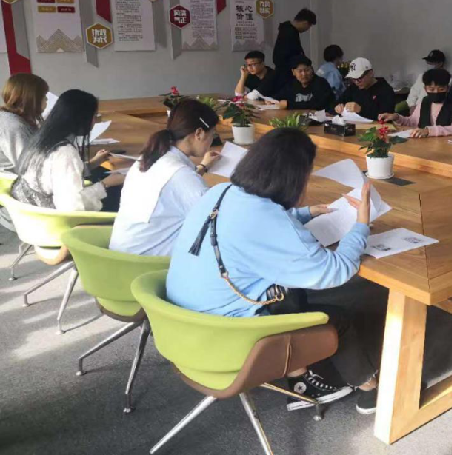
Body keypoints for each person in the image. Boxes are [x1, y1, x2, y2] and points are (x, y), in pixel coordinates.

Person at [167, 129, 379, 414]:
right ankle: (371, 390)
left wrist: (305, 213)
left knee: (289, 289)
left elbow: (258, 219)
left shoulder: (219, 192)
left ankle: (299, 376)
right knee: (337, 319)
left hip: (179, 323)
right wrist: (361, 225)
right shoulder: (267, 221)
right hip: (223, 334)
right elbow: (337, 271)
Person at [109, 100, 221, 257]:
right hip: (147, 262)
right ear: (199, 133)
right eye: (212, 135)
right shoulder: (182, 176)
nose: (211, 142)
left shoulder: (149, 158)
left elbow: (174, 188)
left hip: (120, 254)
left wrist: (202, 167)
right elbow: (216, 220)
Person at [11, 89, 126, 212]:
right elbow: (72, 207)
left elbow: (58, 175)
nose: (94, 122)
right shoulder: (65, 152)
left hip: (28, 214)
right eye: (94, 116)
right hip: (52, 220)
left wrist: (94, 163)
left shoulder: (41, 140)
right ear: (82, 119)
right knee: (118, 193)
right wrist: (105, 184)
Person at [379, 69, 452, 137]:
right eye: (431, 89)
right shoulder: (425, 101)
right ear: (425, 89)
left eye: (441, 89)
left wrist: (429, 131)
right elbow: (413, 121)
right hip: (424, 144)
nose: (436, 92)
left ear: (448, 88)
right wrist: (397, 117)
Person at [0, 73, 49, 173]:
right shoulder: (12, 125)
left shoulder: (20, 120)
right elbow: (29, 167)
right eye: (43, 96)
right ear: (31, 98)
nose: (47, 99)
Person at [273, 8, 316, 92]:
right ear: (305, 23)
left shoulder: (288, 30)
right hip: (286, 73)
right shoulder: (289, 33)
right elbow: (290, 55)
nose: (307, 29)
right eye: (309, 26)